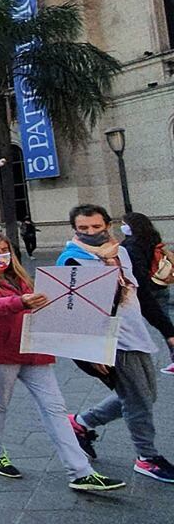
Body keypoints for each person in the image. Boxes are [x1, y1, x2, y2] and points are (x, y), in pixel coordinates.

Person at [0, 226, 124, 491]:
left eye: (5, 250)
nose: (2, 255)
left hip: (34, 348)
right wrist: (21, 302)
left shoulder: (19, 277)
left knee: (55, 408)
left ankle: (81, 472)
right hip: (0, 352)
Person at [60, 205, 174, 482]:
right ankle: (147, 456)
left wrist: (168, 331)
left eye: (96, 227)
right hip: (111, 340)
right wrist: (89, 352)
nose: (90, 233)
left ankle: (81, 423)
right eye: (83, 228)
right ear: (74, 229)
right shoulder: (72, 260)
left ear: (107, 226)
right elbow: (72, 313)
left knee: (146, 395)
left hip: (135, 334)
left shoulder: (120, 253)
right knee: (138, 401)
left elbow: (141, 294)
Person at [119, 212, 174, 374]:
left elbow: (138, 272)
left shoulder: (131, 246)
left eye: (124, 224)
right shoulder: (152, 238)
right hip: (160, 285)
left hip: (146, 290)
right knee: (165, 322)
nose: (122, 227)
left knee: (147, 324)